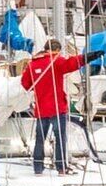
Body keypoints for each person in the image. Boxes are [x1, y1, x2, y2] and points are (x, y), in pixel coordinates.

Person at [21, 34, 85, 173]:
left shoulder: (33, 64)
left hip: (41, 109)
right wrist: (88, 57)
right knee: (60, 138)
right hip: (57, 107)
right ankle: (61, 167)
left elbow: (25, 84)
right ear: (58, 50)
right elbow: (72, 64)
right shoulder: (56, 61)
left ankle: (38, 167)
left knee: (40, 139)